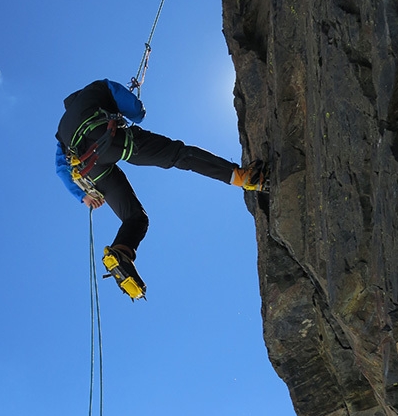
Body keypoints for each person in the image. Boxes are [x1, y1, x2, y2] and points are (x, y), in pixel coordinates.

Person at [55, 78, 266, 296]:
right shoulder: (97, 88)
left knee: (135, 218)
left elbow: (60, 167)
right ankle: (245, 177)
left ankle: (121, 253)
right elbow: (137, 113)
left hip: (90, 169)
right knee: (178, 155)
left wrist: (83, 196)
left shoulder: (61, 130)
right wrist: (129, 112)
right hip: (108, 140)